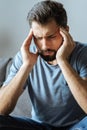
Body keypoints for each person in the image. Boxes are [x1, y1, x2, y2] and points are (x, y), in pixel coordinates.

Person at [0, 0, 87, 130]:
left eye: (51, 37)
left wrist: (62, 61)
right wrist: (26, 66)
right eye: (38, 38)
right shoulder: (25, 57)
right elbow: (1, 109)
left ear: (66, 31)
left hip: (77, 126)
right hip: (39, 126)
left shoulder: (83, 54)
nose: (44, 45)